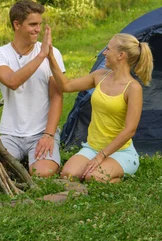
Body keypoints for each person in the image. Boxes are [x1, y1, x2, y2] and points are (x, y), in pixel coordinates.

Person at [47, 32, 153, 183]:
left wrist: (101, 156)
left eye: (108, 49)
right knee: (68, 175)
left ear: (120, 55)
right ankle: (101, 170)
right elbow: (66, 85)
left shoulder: (133, 88)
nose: (104, 53)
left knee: (93, 178)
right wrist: (50, 56)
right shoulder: (100, 76)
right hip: (92, 148)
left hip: (121, 152)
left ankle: (117, 175)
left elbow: (130, 130)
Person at [0, 0, 65, 178]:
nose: (38, 29)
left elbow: (57, 97)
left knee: (42, 174)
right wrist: (41, 56)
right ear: (17, 24)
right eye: (32, 24)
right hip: (10, 133)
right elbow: (13, 82)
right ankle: (23, 159)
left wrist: (49, 135)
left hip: (41, 131)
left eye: (39, 24)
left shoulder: (54, 54)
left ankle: (37, 159)